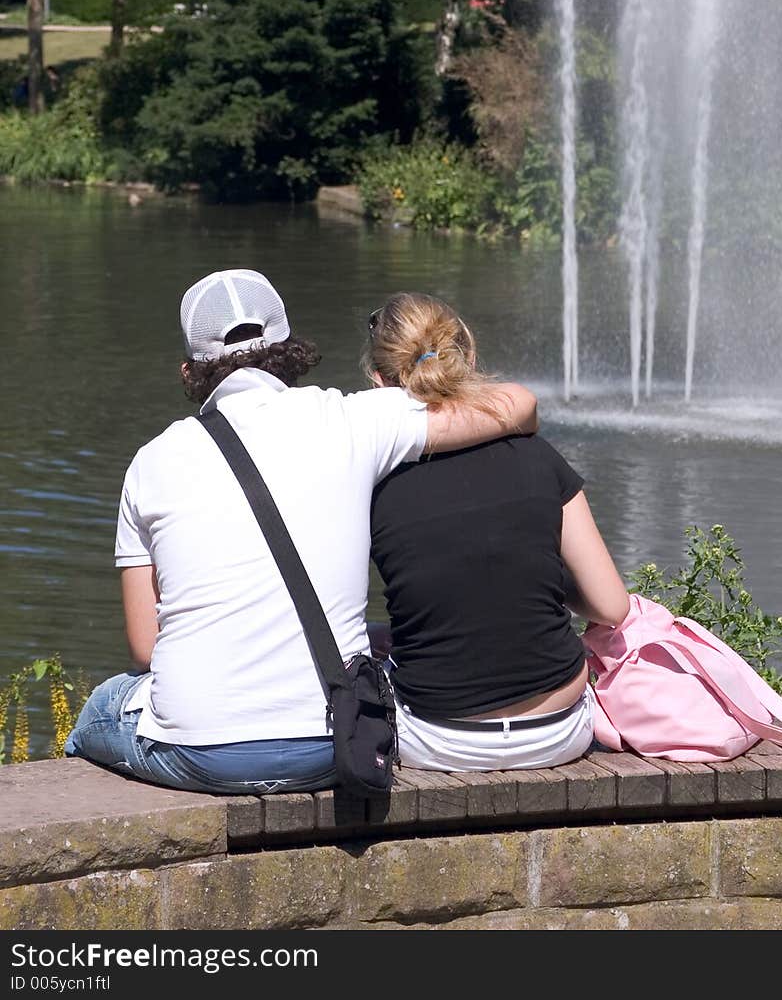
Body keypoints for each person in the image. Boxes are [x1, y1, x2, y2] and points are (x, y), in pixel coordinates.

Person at [65, 269, 538, 795]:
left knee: (101, 709)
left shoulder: (149, 463)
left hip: (197, 752)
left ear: (188, 371)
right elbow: (517, 403)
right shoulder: (352, 419)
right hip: (331, 743)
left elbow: (145, 646)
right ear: (288, 347)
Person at [365, 291, 630, 771]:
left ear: (378, 379)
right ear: (468, 356)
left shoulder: (371, 479)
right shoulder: (538, 455)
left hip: (435, 737)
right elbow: (612, 606)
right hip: (558, 731)